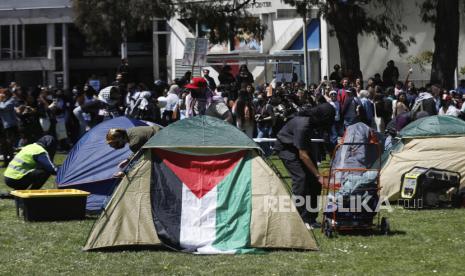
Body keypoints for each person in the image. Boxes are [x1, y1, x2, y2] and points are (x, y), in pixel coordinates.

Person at [274, 104, 335, 229]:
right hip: (286, 148)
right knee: (301, 178)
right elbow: (303, 155)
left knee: (314, 183)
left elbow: (325, 144)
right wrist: (318, 175)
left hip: (300, 147)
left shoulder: (315, 123)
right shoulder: (303, 125)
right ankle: (299, 219)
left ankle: (311, 219)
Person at [0, 89, 19, 167]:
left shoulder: (11, 100)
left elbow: (4, 107)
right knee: (3, 144)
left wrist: (0, 101)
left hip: (10, 126)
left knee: (9, 144)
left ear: (6, 94)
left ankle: (11, 161)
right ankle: (5, 162)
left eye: (2, 94)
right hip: (2, 125)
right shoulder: (2, 102)